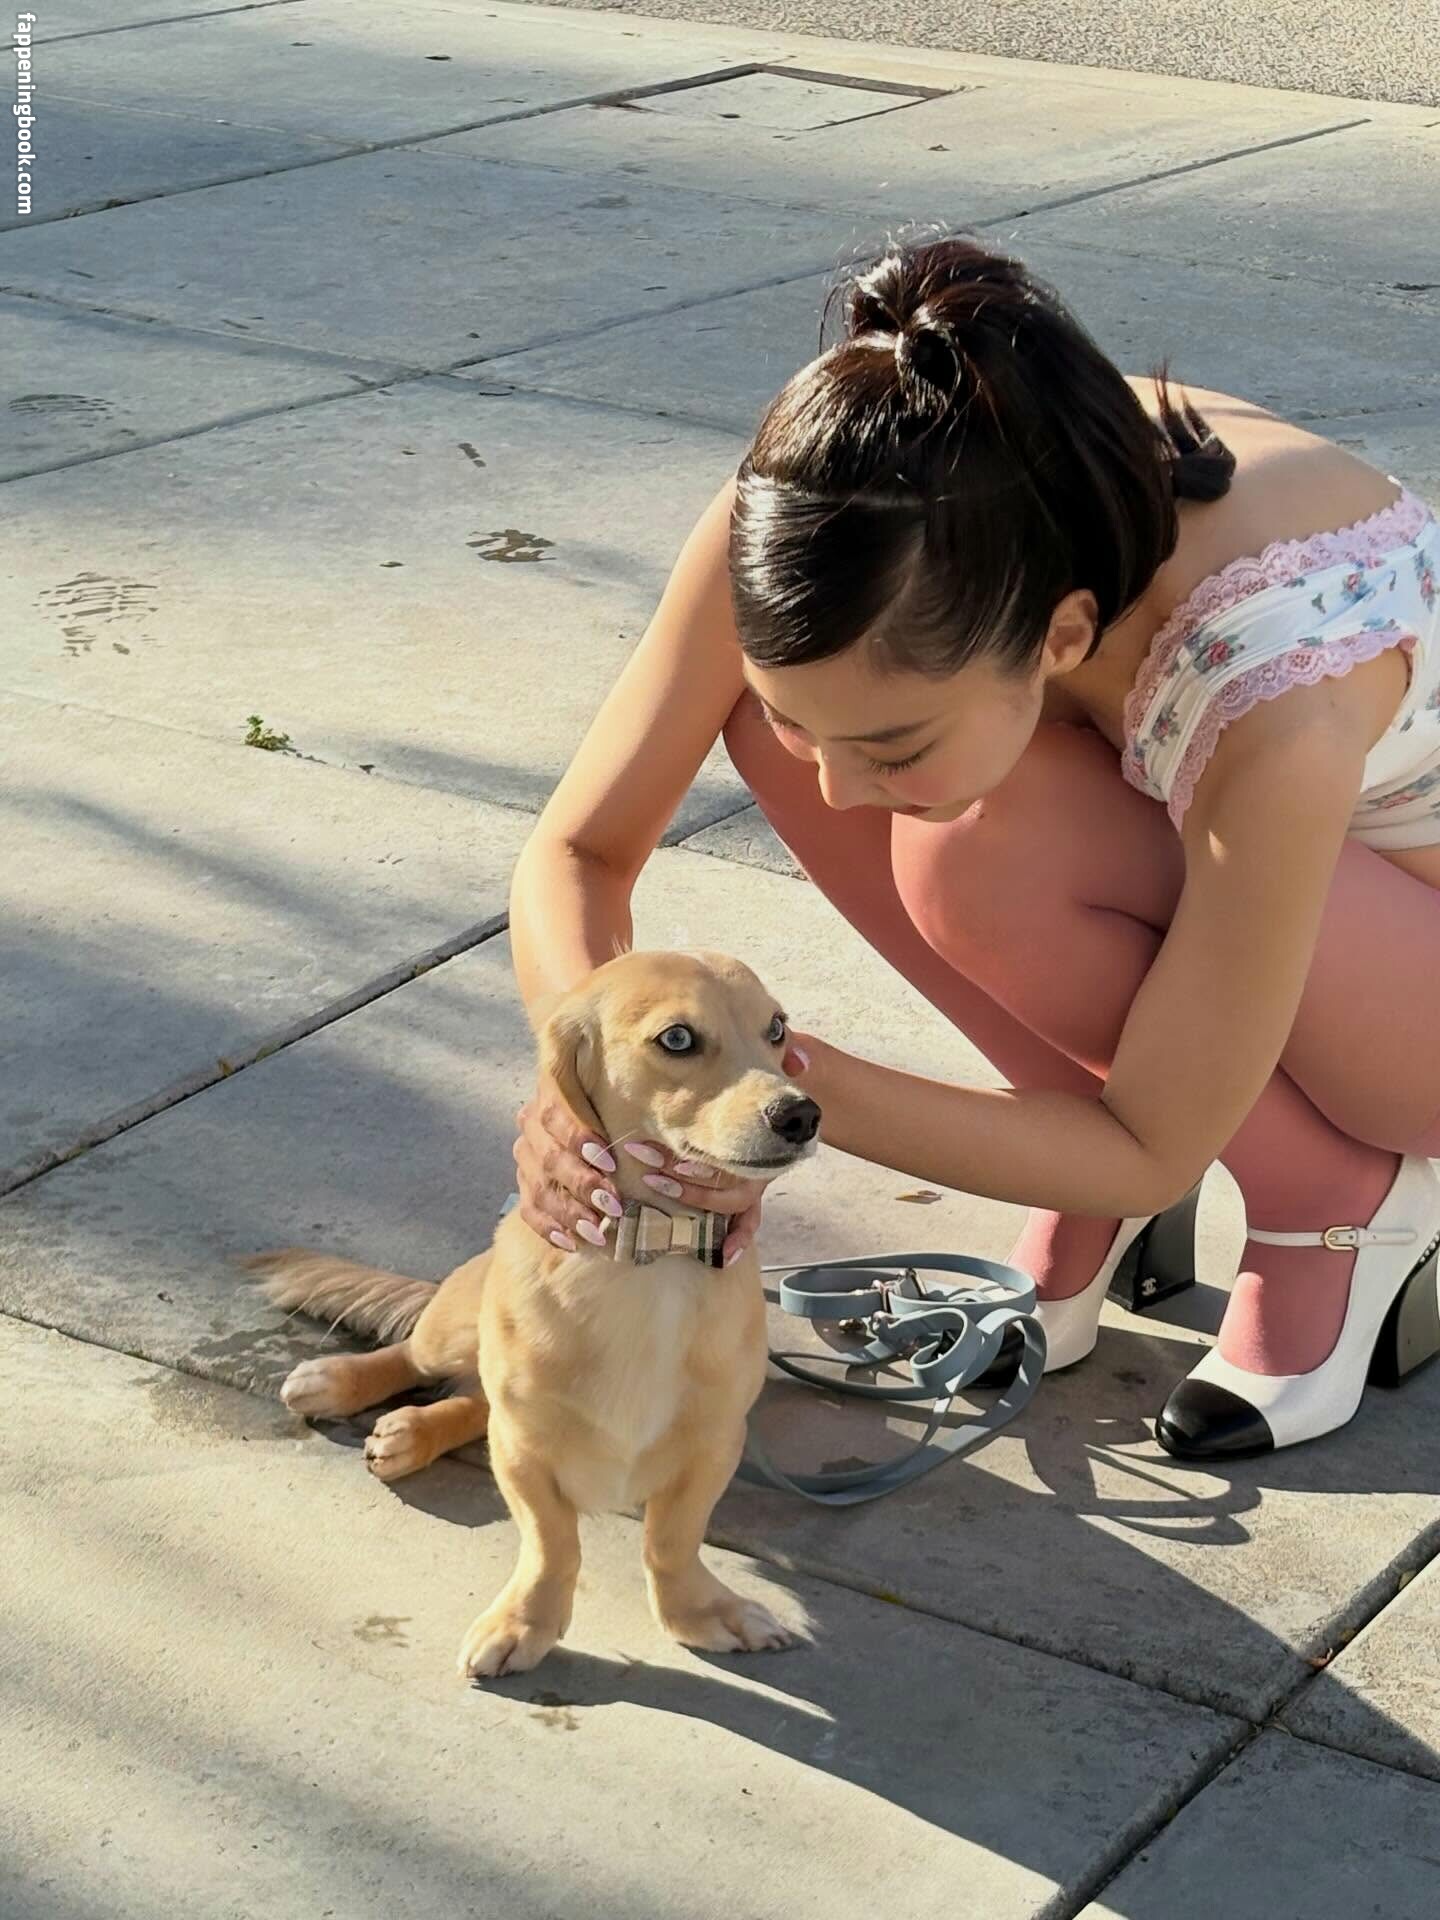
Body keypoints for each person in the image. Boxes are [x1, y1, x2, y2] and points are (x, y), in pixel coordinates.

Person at [507, 231, 1440, 1462]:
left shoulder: (1272, 693)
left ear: (1062, 637)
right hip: (1300, 891)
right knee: (798, 718)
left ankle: (1335, 1201)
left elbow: (1146, 1148)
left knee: (990, 852)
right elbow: (579, 850)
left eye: (891, 749)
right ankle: (1062, 1136)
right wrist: (583, 1079)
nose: (838, 794)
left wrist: (767, 1091)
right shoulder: (848, 509)